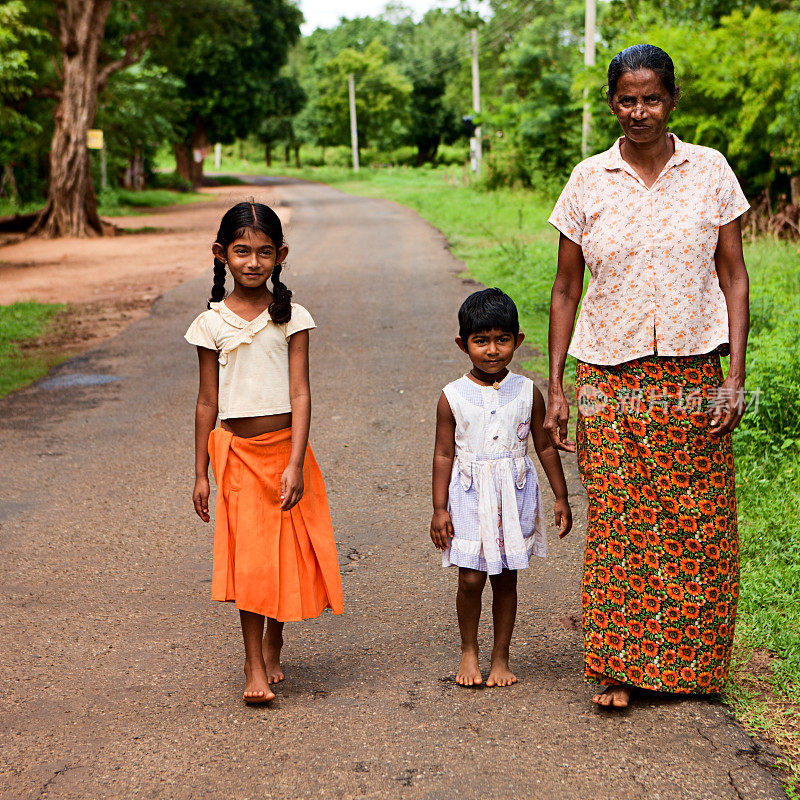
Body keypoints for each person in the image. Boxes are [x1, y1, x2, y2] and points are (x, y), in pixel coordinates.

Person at [545, 44, 750, 708]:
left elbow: (734, 276)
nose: (640, 112)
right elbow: (564, 290)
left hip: (695, 368)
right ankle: (618, 667)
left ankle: (690, 669)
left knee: (700, 519)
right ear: (612, 103)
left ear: (672, 99)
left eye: (652, 98)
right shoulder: (587, 180)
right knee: (619, 521)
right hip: (608, 371)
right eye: (627, 99)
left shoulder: (710, 171)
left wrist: (735, 375)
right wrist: (557, 386)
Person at [186, 201, 343, 704]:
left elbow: (300, 394)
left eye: (264, 253)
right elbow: (207, 400)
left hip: (283, 455)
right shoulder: (209, 325)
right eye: (241, 252)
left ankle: (276, 638)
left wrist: (296, 462)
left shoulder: (292, 318)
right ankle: (253, 663)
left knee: (279, 559)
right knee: (251, 564)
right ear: (221, 254)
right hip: (235, 457)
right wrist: (200, 473)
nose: (253, 263)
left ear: (281, 256)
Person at [431, 288, 572, 687]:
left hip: (514, 495)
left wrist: (561, 496)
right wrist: (439, 508)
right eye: (481, 341)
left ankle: (501, 656)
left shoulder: (529, 392)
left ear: (517, 341)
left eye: (502, 340)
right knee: (471, 577)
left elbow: (544, 446)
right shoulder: (452, 397)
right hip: (470, 496)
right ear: (464, 344)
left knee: (506, 577)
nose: (492, 350)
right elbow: (443, 455)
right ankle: (469, 650)